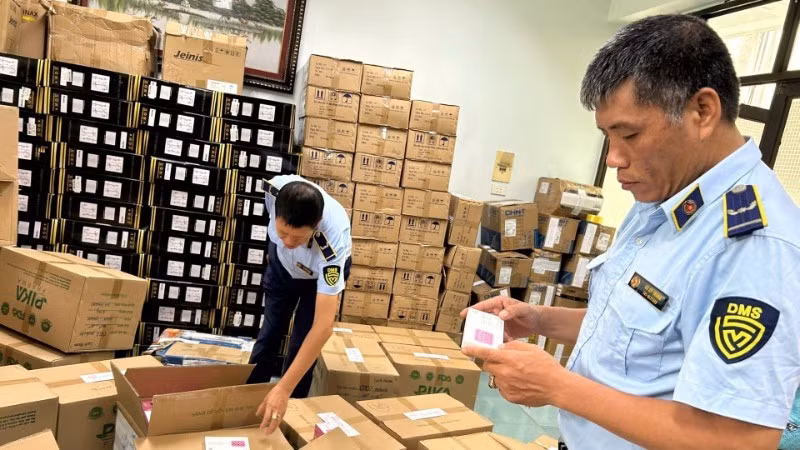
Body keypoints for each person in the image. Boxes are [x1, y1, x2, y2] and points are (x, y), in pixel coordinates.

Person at [462, 14, 800, 450]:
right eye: (607, 136)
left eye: (630, 135)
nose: (613, 159)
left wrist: (559, 387)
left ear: (702, 111)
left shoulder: (755, 246)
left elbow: (739, 440)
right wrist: (539, 319)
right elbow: (634, 331)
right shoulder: (661, 199)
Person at [247, 174, 352, 434]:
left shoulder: (332, 247)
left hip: (315, 280)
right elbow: (280, 236)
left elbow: (323, 326)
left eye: (297, 238)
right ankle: (248, 406)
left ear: (315, 225)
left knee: (302, 343)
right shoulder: (274, 190)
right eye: (283, 233)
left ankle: (289, 418)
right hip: (282, 269)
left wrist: (283, 388)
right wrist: (276, 251)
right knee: (269, 333)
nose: (288, 242)